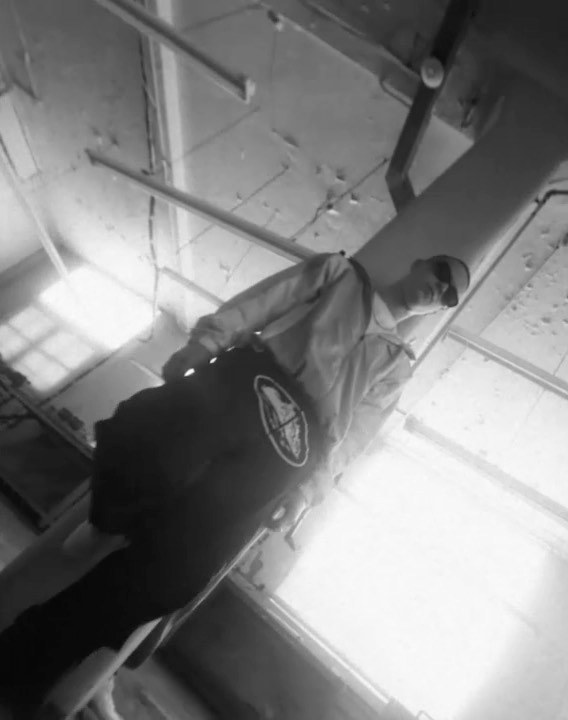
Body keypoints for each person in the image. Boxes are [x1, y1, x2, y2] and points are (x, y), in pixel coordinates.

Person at [0, 251, 470, 718]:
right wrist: (208, 340)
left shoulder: (397, 366)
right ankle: (109, 515)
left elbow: (354, 437)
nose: (441, 289)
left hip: (293, 448)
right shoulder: (340, 275)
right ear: (420, 263)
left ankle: (27, 664)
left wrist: (307, 492)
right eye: (441, 273)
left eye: (450, 296)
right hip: (249, 379)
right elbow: (267, 300)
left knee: (171, 575)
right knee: (148, 441)